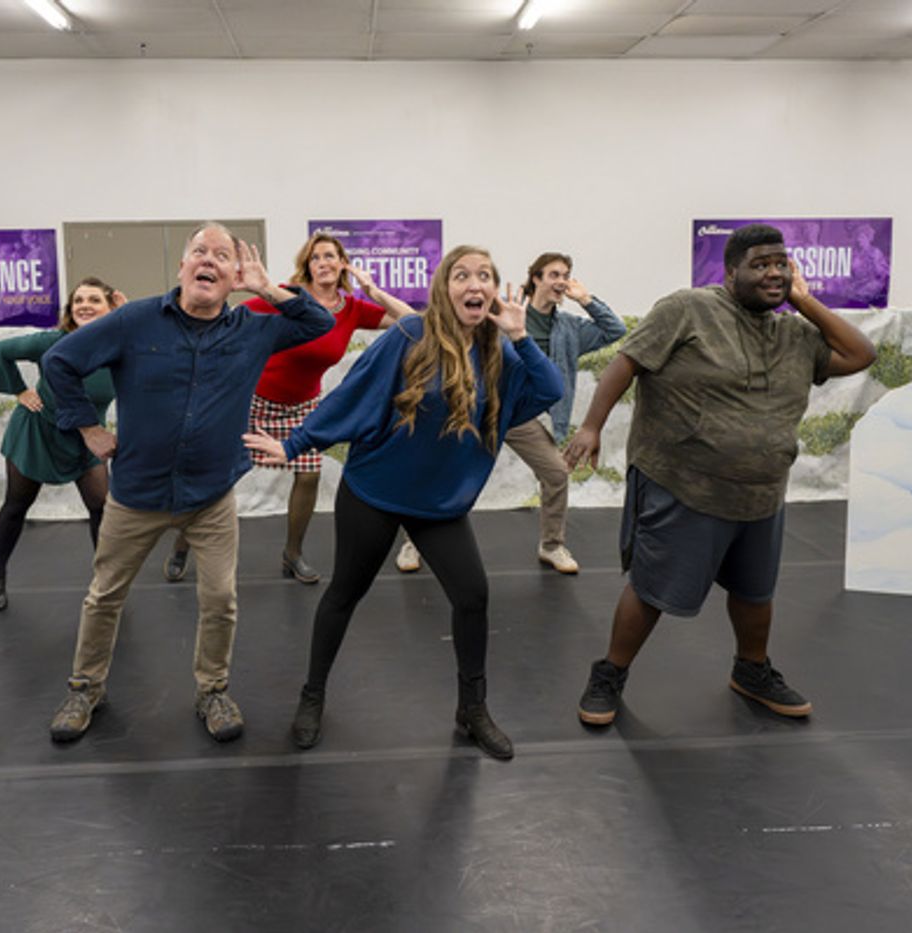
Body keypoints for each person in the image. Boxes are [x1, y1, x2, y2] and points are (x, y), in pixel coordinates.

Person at [246, 245, 566, 760]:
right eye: (462, 274)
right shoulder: (409, 336)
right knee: (344, 595)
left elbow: (548, 388)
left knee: (473, 596)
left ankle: (472, 709)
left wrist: (520, 335)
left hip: (439, 505)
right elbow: (352, 396)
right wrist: (292, 444)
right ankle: (312, 696)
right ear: (445, 287)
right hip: (375, 493)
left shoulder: (497, 350)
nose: (475, 283)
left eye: (484, 275)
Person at [566, 224, 876, 727]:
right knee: (652, 590)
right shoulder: (687, 309)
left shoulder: (796, 333)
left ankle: (751, 670)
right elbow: (626, 363)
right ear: (731, 272)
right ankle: (609, 674)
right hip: (684, 484)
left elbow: (862, 355)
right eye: (761, 264)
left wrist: (804, 302)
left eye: (781, 263)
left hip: (761, 494)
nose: (773, 272)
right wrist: (592, 426)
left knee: (756, 594)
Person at [42, 223, 333, 744]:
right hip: (136, 495)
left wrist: (268, 289)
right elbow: (59, 361)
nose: (210, 261)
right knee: (104, 596)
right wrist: (86, 426)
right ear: (181, 268)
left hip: (211, 497)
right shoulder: (133, 320)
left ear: (232, 276)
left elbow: (319, 321)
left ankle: (212, 691)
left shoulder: (254, 326)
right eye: (200, 251)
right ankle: (85, 688)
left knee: (220, 598)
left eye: (223, 256)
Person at [161, 233, 414, 586]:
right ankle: (182, 544)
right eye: (316, 258)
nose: (324, 263)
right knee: (219, 475)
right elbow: (235, 315)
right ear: (307, 266)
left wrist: (372, 291)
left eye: (331, 256)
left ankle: (292, 554)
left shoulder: (353, 309)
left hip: (304, 405)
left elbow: (414, 322)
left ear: (343, 263)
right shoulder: (288, 298)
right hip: (254, 400)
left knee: (308, 475)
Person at [394, 250, 625, 575]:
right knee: (437, 467)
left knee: (556, 474)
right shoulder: (502, 313)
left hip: (526, 417)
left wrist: (586, 300)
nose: (561, 281)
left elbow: (615, 330)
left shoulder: (571, 329)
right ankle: (414, 541)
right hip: (482, 408)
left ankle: (552, 545)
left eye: (566, 275)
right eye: (554, 274)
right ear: (536, 279)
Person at [0, 277, 127, 612]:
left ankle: (105, 581)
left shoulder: (120, 347)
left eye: (94, 299)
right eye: (78, 301)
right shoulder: (52, 342)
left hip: (88, 438)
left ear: (110, 307)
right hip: (37, 433)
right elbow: (2, 352)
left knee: (101, 507)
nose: (85, 305)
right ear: (70, 310)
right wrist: (19, 391)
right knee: (16, 505)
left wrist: (128, 317)